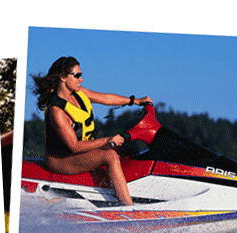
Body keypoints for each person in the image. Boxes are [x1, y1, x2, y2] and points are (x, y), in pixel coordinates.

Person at [30, 56, 152, 206]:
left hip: (80, 151)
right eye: (77, 75)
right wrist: (107, 140)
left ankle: (142, 197)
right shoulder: (57, 111)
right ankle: (128, 208)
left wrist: (136, 101)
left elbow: (106, 99)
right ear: (63, 77)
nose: (81, 79)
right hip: (61, 160)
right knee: (110, 155)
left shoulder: (80, 93)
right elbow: (74, 146)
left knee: (127, 147)